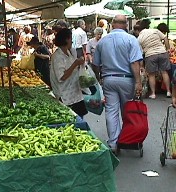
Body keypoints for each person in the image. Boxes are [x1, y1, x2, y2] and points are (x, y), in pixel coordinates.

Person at [93, 15, 143, 152]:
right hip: (127, 79)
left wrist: (99, 77)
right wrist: (138, 82)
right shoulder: (131, 40)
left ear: (113, 24)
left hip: (109, 79)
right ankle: (126, 139)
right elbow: (135, 62)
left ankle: (113, 143)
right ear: (126, 25)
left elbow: (95, 64)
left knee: (111, 111)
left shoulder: (103, 41)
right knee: (127, 111)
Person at [50, 28, 87, 118]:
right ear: (66, 39)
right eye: (71, 38)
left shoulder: (69, 52)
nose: (72, 41)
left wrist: (80, 63)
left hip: (76, 94)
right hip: (65, 96)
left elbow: (74, 68)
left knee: (80, 120)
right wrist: (75, 64)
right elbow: (61, 77)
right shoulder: (57, 56)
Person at [138, 19, 172, 99]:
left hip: (150, 55)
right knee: (164, 72)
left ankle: (153, 93)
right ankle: (168, 91)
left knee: (151, 74)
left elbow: (140, 52)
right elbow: (165, 38)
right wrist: (167, 49)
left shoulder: (139, 37)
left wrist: (141, 65)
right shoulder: (155, 31)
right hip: (162, 52)